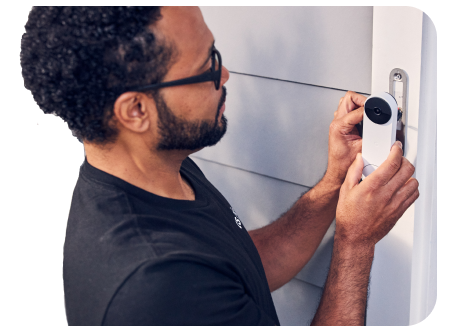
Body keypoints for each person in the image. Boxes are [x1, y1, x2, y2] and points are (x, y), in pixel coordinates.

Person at [21, 6, 419, 326]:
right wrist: (356, 243)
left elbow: (242, 265)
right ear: (136, 110)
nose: (224, 74)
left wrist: (335, 181)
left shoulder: (155, 169)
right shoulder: (159, 288)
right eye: (207, 67)